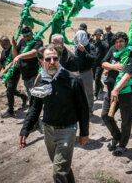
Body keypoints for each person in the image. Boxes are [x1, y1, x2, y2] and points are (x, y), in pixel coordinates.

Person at [19, 44, 89, 183]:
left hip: (68, 130)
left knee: (58, 172)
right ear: (41, 61)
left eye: (55, 58)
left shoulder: (73, 80)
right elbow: (35, 107)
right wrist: (25, 129)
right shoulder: (40, 80)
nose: (52, 62)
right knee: (62, 167)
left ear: (59, 59)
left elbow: (83, 108)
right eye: (48, 59)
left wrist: (84, 132)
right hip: (48, 130)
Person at [101, 32, 132, 156]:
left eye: (121, 41)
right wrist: (113, 66)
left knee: (126, 120)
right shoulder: (113, 49)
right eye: (116, 42)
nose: (118, 44)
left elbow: (128, 75)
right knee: (105, 115)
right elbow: (103, 63)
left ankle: (122, 145)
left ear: (126, 41)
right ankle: (117, 136)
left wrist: (117, 89)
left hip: (126, 93)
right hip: (111, 91)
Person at [12, 26, 43, 108]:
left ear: (32, 33)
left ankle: (34, 116)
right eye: (24, 36)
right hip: (25, 75)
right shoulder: (22, 41)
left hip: (35, 74)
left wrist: (19, 56)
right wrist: (14, 46)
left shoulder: (38, 41)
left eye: (28, 36)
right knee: (31, 95)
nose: (26, 38)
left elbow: (34, 53)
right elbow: (15, 56)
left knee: (34, 97)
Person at [0, 36, 27, 118]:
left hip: (14, 73)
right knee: (11, 90)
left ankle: (10, 110)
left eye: (5, 44)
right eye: (1, 44)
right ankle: (24, 97)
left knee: (9, 91)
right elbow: (1, 61)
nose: (3, 46)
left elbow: (13, 60)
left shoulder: (13, 49)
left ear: (9, 42)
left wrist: (4, 71)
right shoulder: (4, 51)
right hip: (6, 74)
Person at [74, 29, 96, 115]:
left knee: (89, 92)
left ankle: (90, 109)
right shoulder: (76, 47)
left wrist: (84, 51)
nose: (79, 38)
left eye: (81, 36)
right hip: (78, 73)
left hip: (87, 72)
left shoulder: (90, 47)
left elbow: (93, 59)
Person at [91, 28, 109, 101]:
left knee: (97, 77)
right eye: (96, 35)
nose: (97, 36)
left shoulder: (103, 43)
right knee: (94, 78)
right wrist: (91, 39)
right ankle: (101, 86)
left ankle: (95, 94)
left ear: (101, 35)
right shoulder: (93, 42)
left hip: (100, 64)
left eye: (99, 35)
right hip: (93, 63)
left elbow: (107, 47)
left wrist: (103, 39)